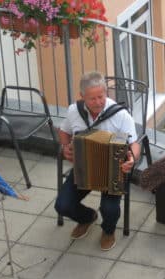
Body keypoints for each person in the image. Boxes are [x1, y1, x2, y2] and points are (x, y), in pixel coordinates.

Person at [55, 71, 140, 251]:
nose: (98, 102)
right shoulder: (74, 111)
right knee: (62, 205)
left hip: (113, 171)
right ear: (82, 96)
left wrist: (131, 158)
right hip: (84, 168)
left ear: (106, 93)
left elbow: (134, 144)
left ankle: (108, 231)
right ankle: (87, 217)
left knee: (109, 209)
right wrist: (65, 146)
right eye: (92, 99)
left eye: (101, 96)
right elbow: (64, 132)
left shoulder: (120, 114)